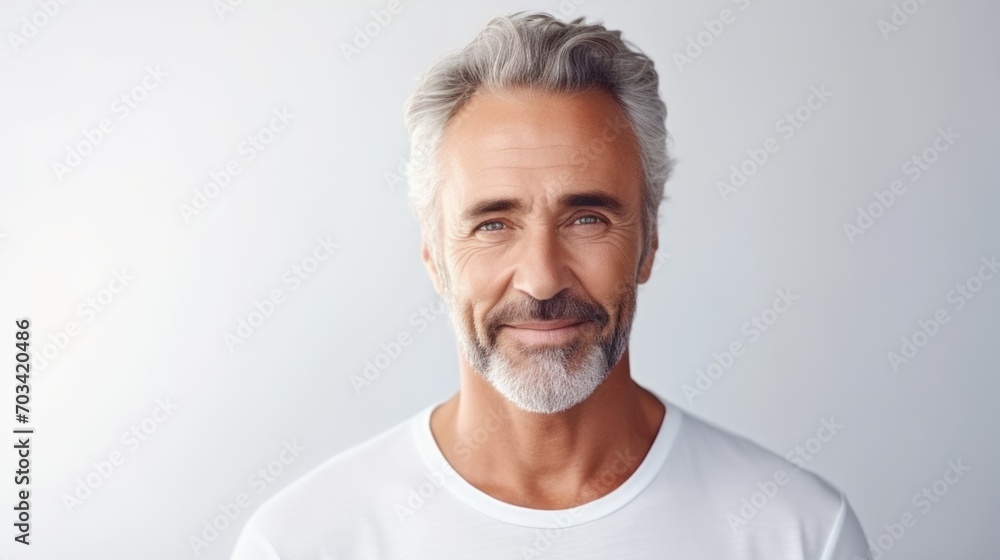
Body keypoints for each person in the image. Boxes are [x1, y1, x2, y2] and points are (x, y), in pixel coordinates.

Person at [232, 12, 872, 559]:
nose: (541, 280)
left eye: (587, 218)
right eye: (493, 224)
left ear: (648, 242)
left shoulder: (799, 534)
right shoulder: (302, 543)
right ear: (433, 256)